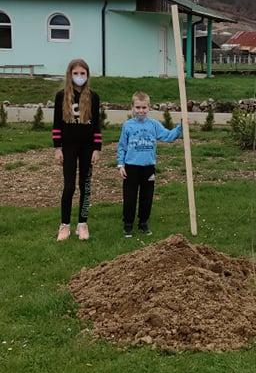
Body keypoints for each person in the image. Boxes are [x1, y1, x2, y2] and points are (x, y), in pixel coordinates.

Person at [117, 91, 182, 238]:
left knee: (147, 196)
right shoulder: (127, 126)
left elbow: (167, 135)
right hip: (131, 167)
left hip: (148, 167)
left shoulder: (154, 125)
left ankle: (143, 223)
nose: (141, 111)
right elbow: (122, 146)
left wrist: (180, 128)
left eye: (144, 107)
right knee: (130, 197)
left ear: (149, 108)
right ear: (132, 107)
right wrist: (121, 164)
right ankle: (128, 224)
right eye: (138, 107)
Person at [53, 58, 102, 241]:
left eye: (83, 73)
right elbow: (57, 125)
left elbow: (97, 125)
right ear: (70, 75)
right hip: (68, 147)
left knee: (85, 186)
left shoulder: (93, 97)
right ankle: (64, 225)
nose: (79, 77)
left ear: (87, 75)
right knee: (69, 187)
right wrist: (57, 148)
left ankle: (82, 224)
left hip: (88, 147)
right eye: (76, 73)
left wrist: (97, 149)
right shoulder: (61, 96)